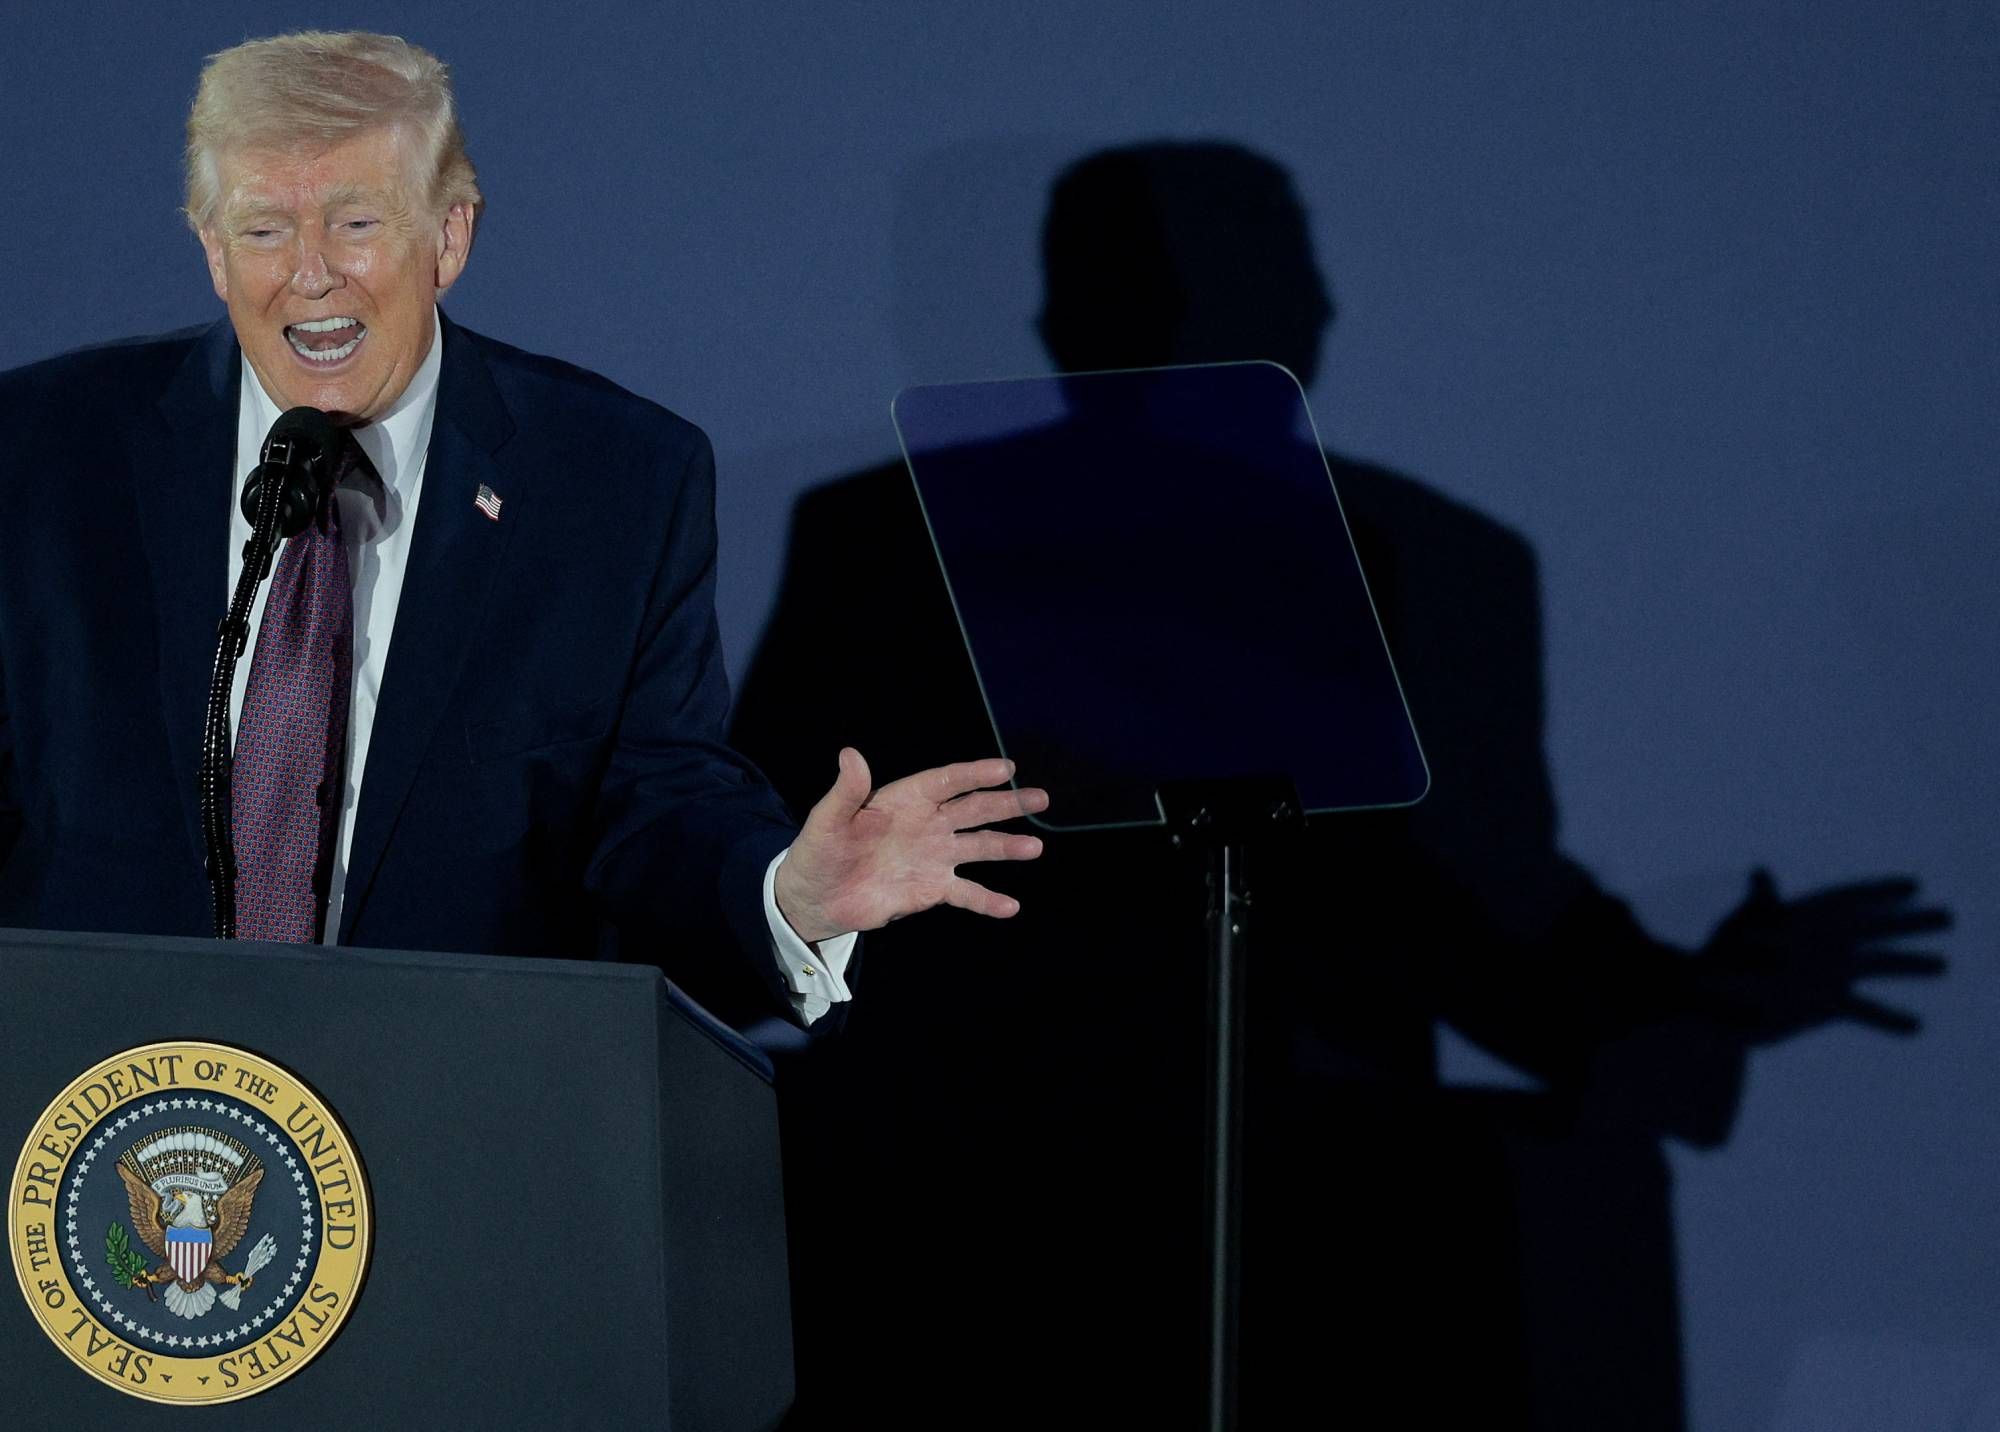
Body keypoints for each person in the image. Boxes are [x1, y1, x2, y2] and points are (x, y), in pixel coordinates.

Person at [0, 30, 1047, 1030]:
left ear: (449, 236)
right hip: (94, 1105)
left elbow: (657, 809)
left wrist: (787, 898)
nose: (310, 273)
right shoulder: (39, 454)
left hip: (449, 1102)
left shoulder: (612, 484)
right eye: (265, 230)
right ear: (214, 252)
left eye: (356, 224)